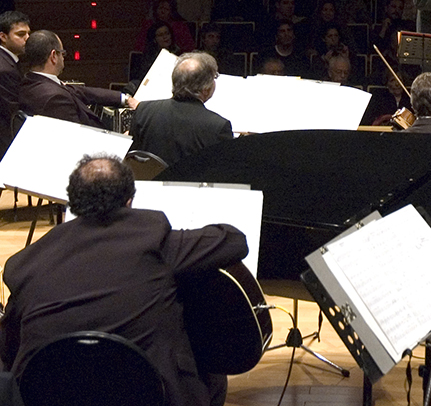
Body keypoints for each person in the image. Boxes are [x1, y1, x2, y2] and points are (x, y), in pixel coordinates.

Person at [0, 155, 247, 406]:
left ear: (73, 202)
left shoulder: (28, 262)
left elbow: (9, 348)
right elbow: (234, 241)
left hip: (48, 397)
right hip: (149, 396)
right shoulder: (155, 239)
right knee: (211, 371)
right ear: (129, 200)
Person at [131, 53, 234, 167]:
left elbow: (132, 160)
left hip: (148, 178)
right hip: (190, 179)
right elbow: (225, 172)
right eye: (214, 78)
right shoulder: (219, 127)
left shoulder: (143, 110)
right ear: (206, 89)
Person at [19, 30, 137, 128]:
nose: (63, 58)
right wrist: (124, 137)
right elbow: (78, 140)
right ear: (53, 56)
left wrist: (124, 98)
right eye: (62, 53)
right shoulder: (55, 98)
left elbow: (76, 90)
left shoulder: (31, 81)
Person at [0, 11, 29, 157]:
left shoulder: (7, 61)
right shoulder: (4, 69)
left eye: (28, 34)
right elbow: (13, 112)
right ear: (3, 37)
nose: (27, 38)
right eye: (21, 34)